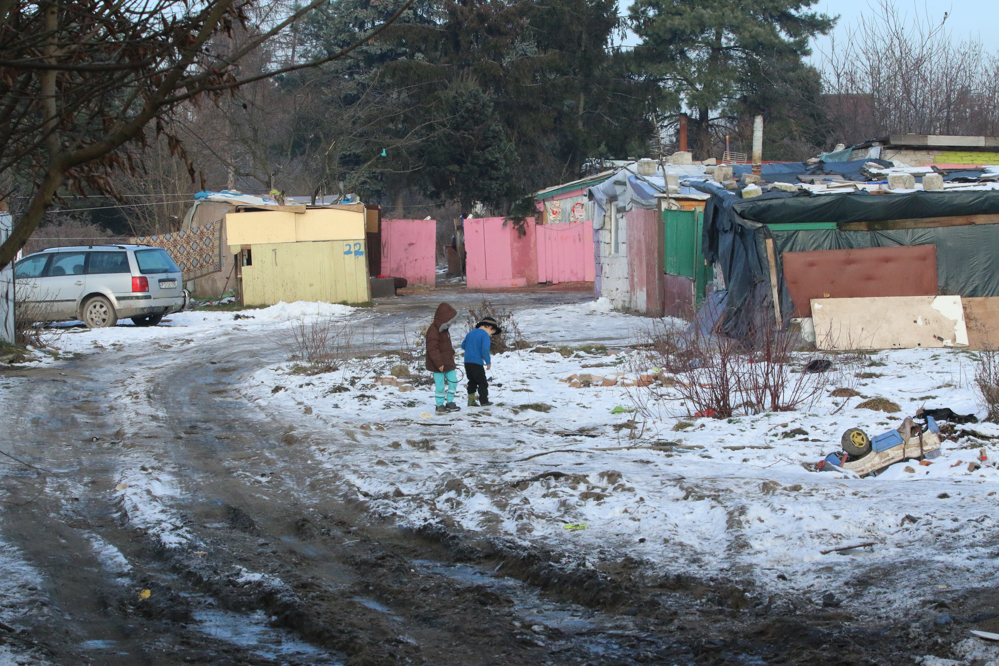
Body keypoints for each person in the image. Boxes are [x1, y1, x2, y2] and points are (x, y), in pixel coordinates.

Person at [425, 303, 460, 415]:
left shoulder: (444, 329)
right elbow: (432, 348)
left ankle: (449, 402)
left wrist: (451, 352)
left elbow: (445, 345)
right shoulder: (433, 330)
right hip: (437, 364)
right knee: (440, 386)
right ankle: (439, 405)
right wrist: (439, 363)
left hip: (448, 361)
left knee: (453, 381)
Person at [461, 316, 501, 407]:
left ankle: (471, 401)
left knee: (472, 381)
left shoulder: (470, 333)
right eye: (492, 332)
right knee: (482, 382)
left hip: (467, 362)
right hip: (477, 362)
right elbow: (485, 349)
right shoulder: (484, 335)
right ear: (490, 327)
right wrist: (488, 362)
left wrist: (472, 348)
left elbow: (463, 345)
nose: (490, 334)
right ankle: (484, 401)